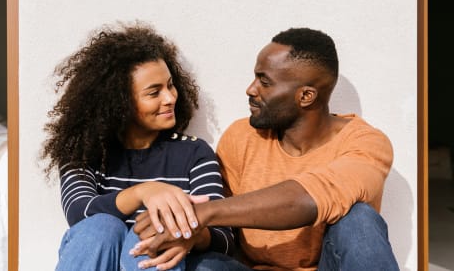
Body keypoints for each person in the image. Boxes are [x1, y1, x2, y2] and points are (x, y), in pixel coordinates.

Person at [132, 27, 400, 271]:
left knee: (359, 220)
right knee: (200, 266)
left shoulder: (365, 143)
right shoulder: (242, 137)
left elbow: (309, 197)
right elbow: (225, 232)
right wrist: (189, 234)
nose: (251, 89)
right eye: (254, 77)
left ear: (306, 96)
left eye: (265, 81)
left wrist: (204, 213)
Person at [40, 22, 234, 271]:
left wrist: (190, 234)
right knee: (100, 228)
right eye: (154, 93)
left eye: (171, 85)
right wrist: (145, 192)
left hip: (166, 265)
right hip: (98, 254)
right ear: (119, 104)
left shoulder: (194, 153)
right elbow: (79, 213)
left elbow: (224, 237)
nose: (170, 98)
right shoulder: (85, 154)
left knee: (153, 230)